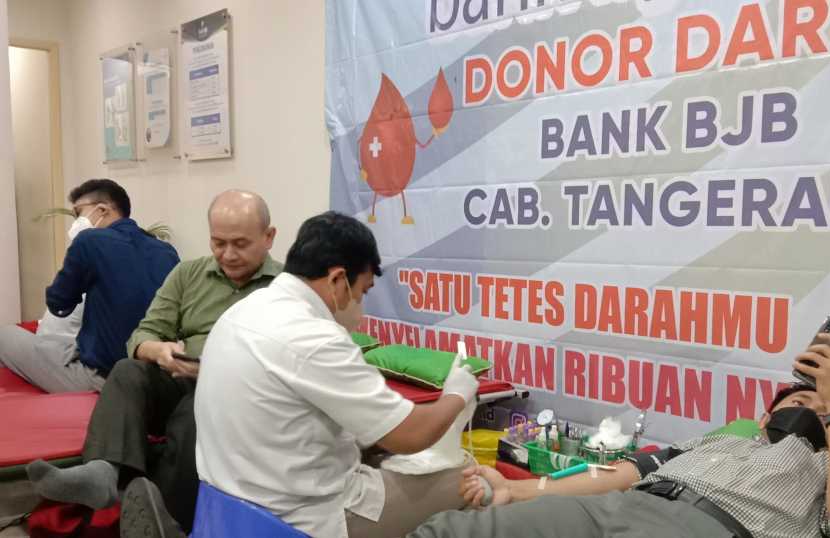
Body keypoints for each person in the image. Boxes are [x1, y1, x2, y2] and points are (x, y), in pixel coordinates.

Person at [411, 333, 830, 538]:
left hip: (709, 528)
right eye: (800, 401)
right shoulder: (718, 442)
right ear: (765, 417)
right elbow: (621, 475)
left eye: (822, 410)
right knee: (454, 531)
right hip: (619, 507)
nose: (811, 410)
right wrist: (517, 490)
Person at [194, 211, 481, 538]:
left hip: (229, 511)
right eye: (363, 291)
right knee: (471, 481)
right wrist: (457, 394)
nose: (360, 303)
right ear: (338, 280)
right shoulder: (315, 337)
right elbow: (411, 436)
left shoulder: (242, 311)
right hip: (302, 521)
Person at [25, 190, 280, 536]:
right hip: (179, 376)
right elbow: (142, 334)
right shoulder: (188, 274)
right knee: (127, 370)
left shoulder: (283, 289)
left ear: (268, 237)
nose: (228, 254)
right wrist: (159, 351)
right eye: (219, 243)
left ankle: (164, 519)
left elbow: (289, 360)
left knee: (196, 412)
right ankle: (102, 472)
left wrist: (216, 370)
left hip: (238, 394)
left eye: (240, 244)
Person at [0, 179, 179, 393]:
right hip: (157, 374)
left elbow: (58, 302)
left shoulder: (89, 240)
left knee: (5, 335)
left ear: (102, 210)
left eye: (78, 213)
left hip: (104, 378)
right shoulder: (166, 251)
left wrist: (77, 264)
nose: (76, 221)